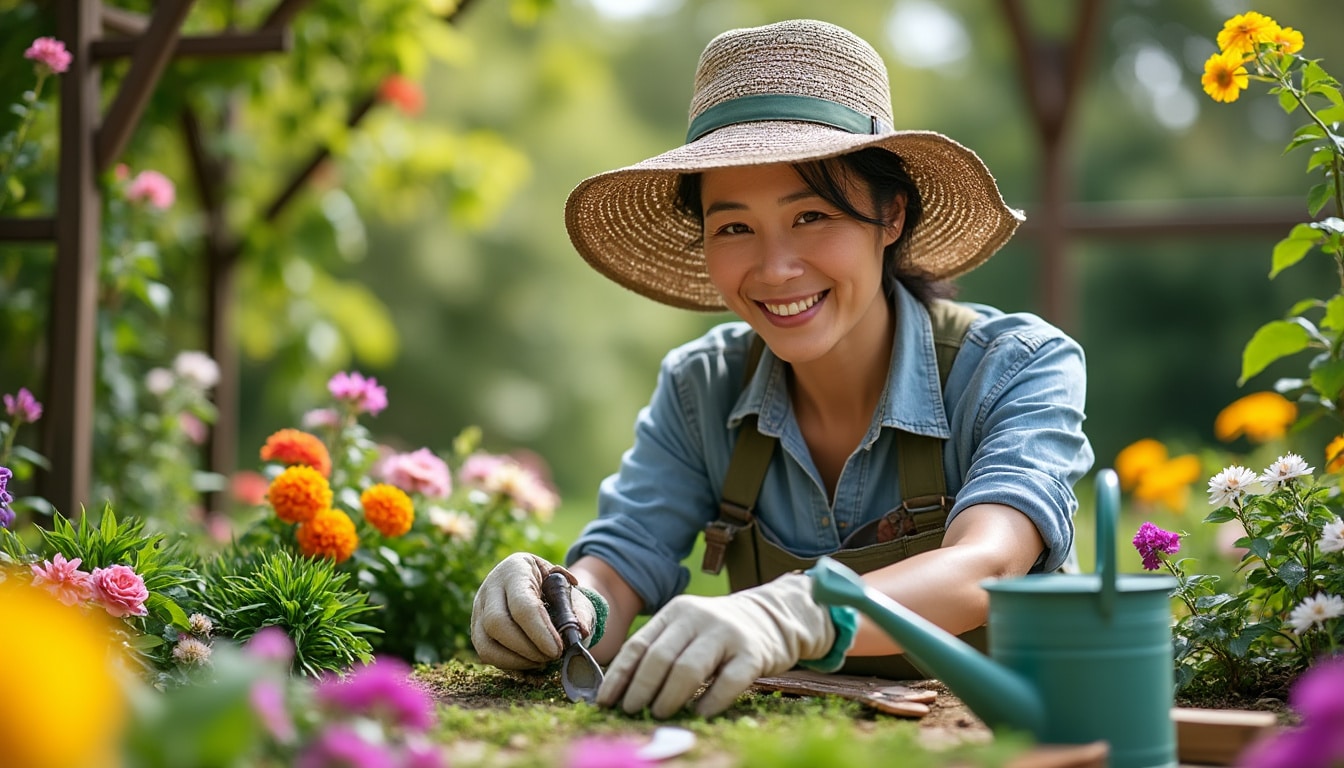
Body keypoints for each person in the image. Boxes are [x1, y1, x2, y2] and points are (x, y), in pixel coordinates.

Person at [470, 18, 1094, 719]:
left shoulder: (1016, 367)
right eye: (734, 227)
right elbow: (622, 565)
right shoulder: (700, 389)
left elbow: (989, 565)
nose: (774, 269)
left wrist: (796, 610)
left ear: (890, 216)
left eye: (811, 217)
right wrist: (562, 607)